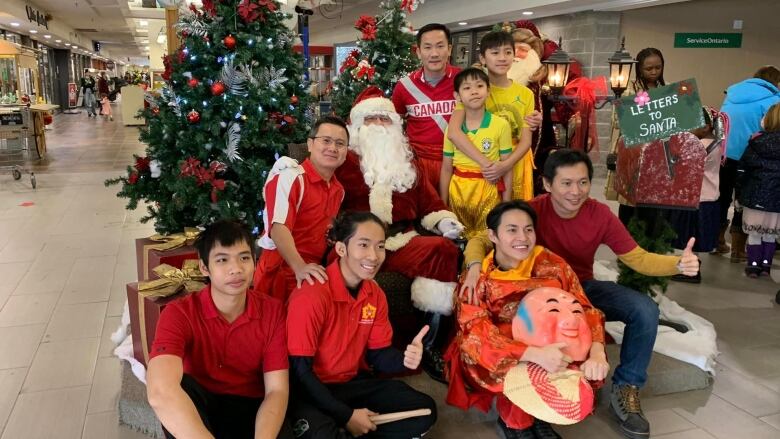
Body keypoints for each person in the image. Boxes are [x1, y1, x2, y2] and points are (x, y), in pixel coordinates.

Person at [464, 149, 700, 439]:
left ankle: (626, 388)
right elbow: (483, 236)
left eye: (583, 182)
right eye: (566, 183)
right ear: (548, 184)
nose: (576, 192)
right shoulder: (532, 212)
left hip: (581, 289)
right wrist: (475, 265)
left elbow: (637, 258)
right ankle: (525, 407)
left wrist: (677, 263)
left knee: (644, 310)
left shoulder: (599, 214)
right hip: (534, 295)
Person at [447, 201, 607, 439]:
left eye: (528, 229)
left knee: (571, 341)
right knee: (519, 358)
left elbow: (584, 308)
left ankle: (540, 414)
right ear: (493, 235)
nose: (522, 237)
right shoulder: (478, 278)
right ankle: (515, 423)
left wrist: (597, 351)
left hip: (552, 341)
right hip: (498, 350)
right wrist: (532, 353)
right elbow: (475, 333)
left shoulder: (553, 264)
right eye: (512, 230)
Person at [336, 86, 464, 382]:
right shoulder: (345, 163)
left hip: (402, 239)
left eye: (384, 119)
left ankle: (430, 345)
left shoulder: (408, 161)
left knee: (445, 250)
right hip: (360, 243)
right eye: (371, 120)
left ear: (395, 124)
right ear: (356, 126)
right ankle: (362, 353)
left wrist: (445, 223)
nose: (379, 126)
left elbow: (431, 203)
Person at [286, 212, 437, 439]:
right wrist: (347, 416)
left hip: (351, 385)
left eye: (380, 247)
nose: (374, 256)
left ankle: (348, 429)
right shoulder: (311, 294)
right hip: (310, 390)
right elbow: (300, 372)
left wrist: (404, 358)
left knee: (424, 410)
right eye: (364, 245)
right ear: (341, 249)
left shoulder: (375, 293)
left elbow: (378, 355)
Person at [146, 220, 292, 439]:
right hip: (201, 407)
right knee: (181, 386)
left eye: (244, 258)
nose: (236, 269)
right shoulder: (180, 313)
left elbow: (276, 391)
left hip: (253, 408)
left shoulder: (273, 311)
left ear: (254, 261)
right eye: (222, 260)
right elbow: (160, 391)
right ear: (204, 267)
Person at [254, 116, 349, 302]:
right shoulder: (290, 177)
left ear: (346, 151)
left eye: (340, 143)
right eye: (326, 141)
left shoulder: (339, 190)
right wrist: (300, 267)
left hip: (312, 271)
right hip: (282, 271)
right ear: (310, 144)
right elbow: (278, 228)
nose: (333, 148)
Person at [447, 31, 537, 201]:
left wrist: (505, 165)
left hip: (515, 162)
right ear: (482, 58)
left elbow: (526, 140)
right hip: (483, 160)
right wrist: (489, 165)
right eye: (495, 53)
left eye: (508, 52)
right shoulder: (474, 90)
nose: (502, 58)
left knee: (514, 213)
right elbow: (454, 132)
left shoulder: (526, 94)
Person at [440, 67, 513, 238]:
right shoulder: (451, 130)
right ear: (457, 96)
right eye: (466, 88)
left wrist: (507, 201)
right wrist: (443, 204)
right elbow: (446, 168)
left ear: (488, 91)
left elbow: (506, 167)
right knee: (457, 238)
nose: (474, 92)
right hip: (458, 191)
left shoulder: (501, 125)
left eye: (479, 86)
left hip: (488, 189)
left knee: (487, 238)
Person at [719, 66, 780, 262]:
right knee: (745, 200)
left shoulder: (731, 94)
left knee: (721, 197)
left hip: (723, 152)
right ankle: (738, 248)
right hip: (751, 155)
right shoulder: (774, 100)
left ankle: (717, 239)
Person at [662, 107, 729, 283]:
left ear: (706, 127)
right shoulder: (714, 143)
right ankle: (691, 268)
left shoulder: (701, 145)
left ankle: (691, 271)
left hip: (696, 199)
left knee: (689, 236)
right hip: (706, 197)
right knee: (694, 237)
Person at [392, 23, 460, 189]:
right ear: (418, 51)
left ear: (449, 49)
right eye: (428, 47)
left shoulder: (464, 80)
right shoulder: (404, 87)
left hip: (459, 163)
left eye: (440, 46)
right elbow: (394, 126)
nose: (434, 53)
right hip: (419, 166)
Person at [739, 102, 780, 277]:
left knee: (754, 233)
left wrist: (739, 191)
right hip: (777, 199)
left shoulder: (756, 142)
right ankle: (766, 266)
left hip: (754, 196)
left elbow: (743, 169)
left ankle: (753, 265)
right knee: (770, 235)